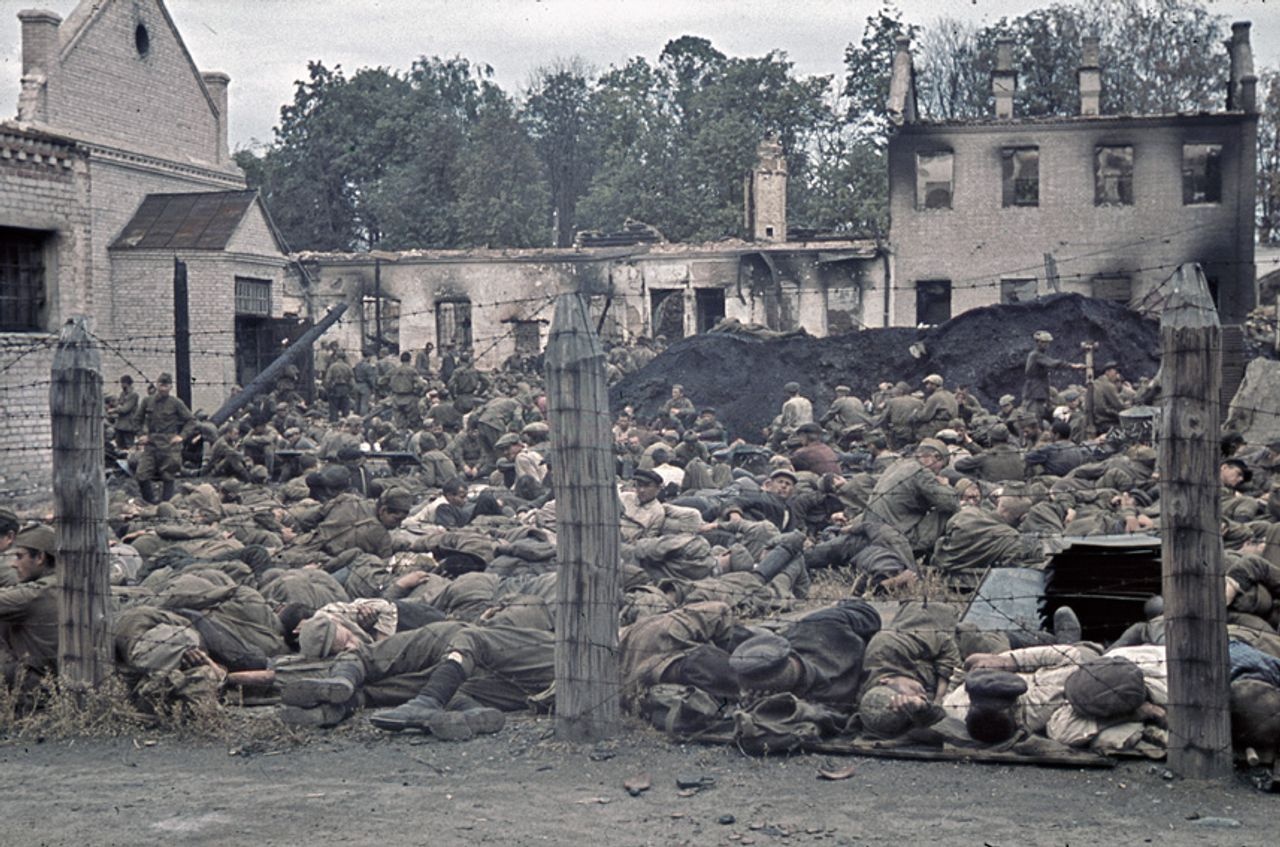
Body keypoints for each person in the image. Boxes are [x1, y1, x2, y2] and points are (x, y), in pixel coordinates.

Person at [865, 439, 959, 559]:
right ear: (935, 457)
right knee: (949, 511)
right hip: (901, 537)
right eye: (942, 466)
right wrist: (946, 486)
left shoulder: (898, 464)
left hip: (876, 532)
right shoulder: (922, 472)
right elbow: (950, 502)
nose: (939, 472)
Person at [0, 524, 59, 685]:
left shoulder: (34, 594)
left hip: (36, 691)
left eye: (20, 556)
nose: (13, 564)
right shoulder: (63, 583)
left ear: (40, 557)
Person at [135, 372, 195, 504]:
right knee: (142, 474)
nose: (163, 389)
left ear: (170, 387)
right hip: (151, 443)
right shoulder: (147, 401)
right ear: (157, 385)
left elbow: (191, 420)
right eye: (161, 385)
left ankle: (166, 505)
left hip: (169, 443)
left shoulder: (176, 403)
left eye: (166, 386)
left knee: (168, 475)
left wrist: (181, 436)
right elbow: (137, 420)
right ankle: (150, 502)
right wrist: (141, 435)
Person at [1022, 331, 1085, 423]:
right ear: (1038, 342)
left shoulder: (1039, 355)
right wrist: (1072, 366)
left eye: (1047, 343)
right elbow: (1053, 363)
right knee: (1035, 415)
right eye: (1044, 342)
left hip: (1038, 389)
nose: (1046, 345)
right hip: (1035, 390)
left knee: (1041, 412)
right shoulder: (1036, 355)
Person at [1091, 361, 1125, 433]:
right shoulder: (1108, 385)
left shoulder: (1096, 383)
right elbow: (1120, 406)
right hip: (1107, 422)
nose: (1117, 376)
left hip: (1095, 421)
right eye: (1115, 373)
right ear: (1107, 372)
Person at [323, 349, 356, 423]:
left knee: (334, 408)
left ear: (336, 357)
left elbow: (328, 379)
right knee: (345, 408)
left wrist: (328, 388)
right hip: (345, 388)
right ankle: (346, 423)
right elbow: (352, 379)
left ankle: (334, 424)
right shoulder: (347, 367)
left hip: (335, 388)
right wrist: (350, 389)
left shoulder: (332, 367)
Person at [112, 375, 141, 449]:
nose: (121, 385)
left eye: (122, 383)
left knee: (129, 446)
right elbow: (118, 404)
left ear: (127, 383)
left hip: (128, 426)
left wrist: (114, 410)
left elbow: (125, 409)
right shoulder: (122, 394)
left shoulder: (134, 395)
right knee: (119, 446)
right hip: (119, 425)